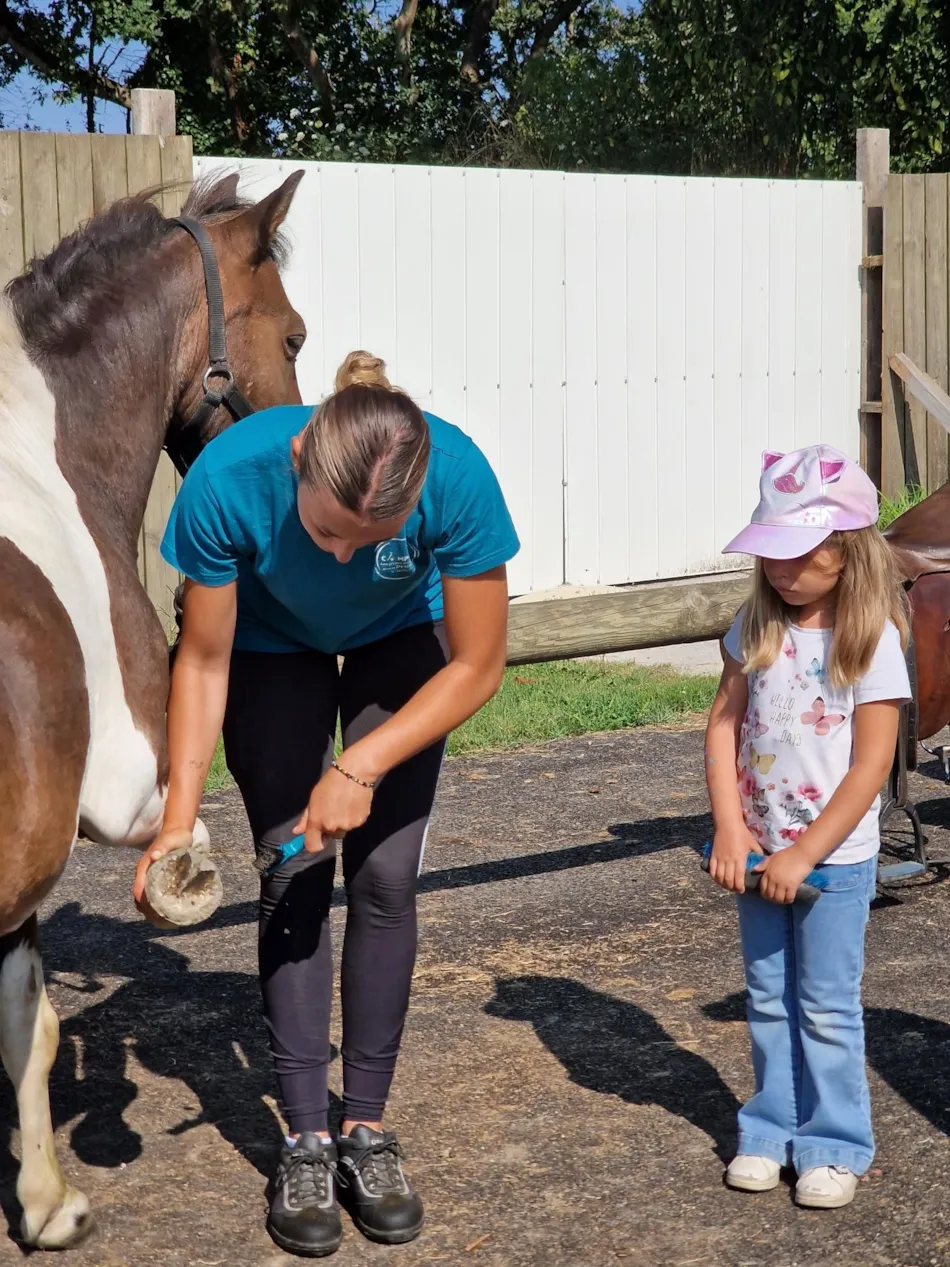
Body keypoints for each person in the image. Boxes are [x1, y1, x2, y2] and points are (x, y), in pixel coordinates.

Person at [133, 351, 519, 1258]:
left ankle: (366, 1131)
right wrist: (179, 816)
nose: (344, 552)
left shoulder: (454, 476)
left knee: (386, 879)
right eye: (329, 531)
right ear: (303, 454)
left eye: (366, 537)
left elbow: (478, 662)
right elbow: (203, 659)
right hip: (269, 647)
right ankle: (305, 1135)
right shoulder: (230, 483)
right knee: (294, 866)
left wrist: (363, 763)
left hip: (400, 642)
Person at [704, 444, 910, 1210]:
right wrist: (732, 827)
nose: (782, 571)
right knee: (766, 995)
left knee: (825, 1002)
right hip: (757, 854)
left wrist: (807, 851)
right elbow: (723, 724)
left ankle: (833, 1142)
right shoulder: (753, 626)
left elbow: (870, 765)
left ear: (846, 550)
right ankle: (768, 1130)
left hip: (833, 862)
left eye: (798, 555)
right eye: (772, 555)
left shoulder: (872, 641)